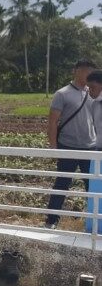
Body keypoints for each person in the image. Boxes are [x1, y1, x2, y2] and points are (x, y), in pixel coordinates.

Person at [45, 59, 97, 229]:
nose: (87, 74)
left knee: (93, 185)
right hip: (67, 146)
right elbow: (53, 122)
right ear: (75, 71)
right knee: (62, 183)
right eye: (84, 71)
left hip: (91, 146)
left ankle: (94, 221)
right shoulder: (63, 93)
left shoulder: (95, 92)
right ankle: (51, 220)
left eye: (90, 71)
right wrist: (54, 148)